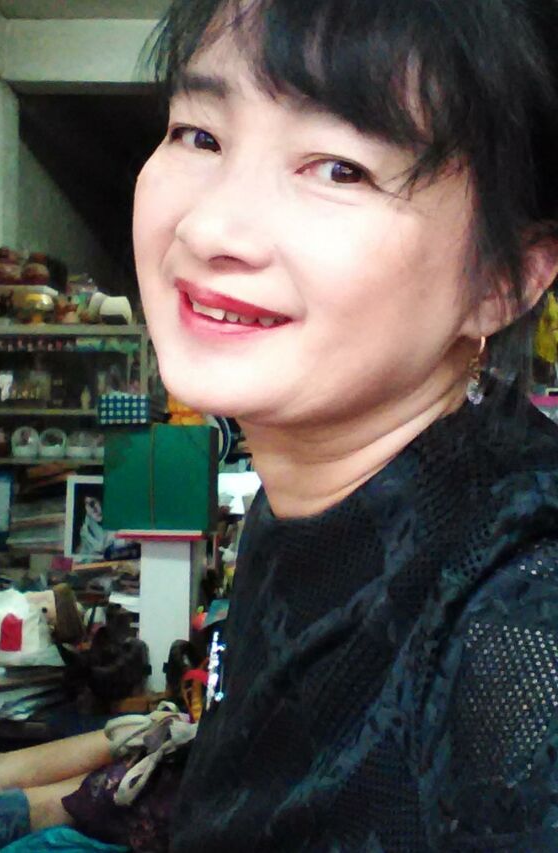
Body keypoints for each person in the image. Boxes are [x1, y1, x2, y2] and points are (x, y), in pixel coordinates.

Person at [131, 0, 558, 849]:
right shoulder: (300, 495)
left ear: (504, 280)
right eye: (199, 135)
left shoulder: (520, 628)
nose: (209, 229)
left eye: (339, 169)